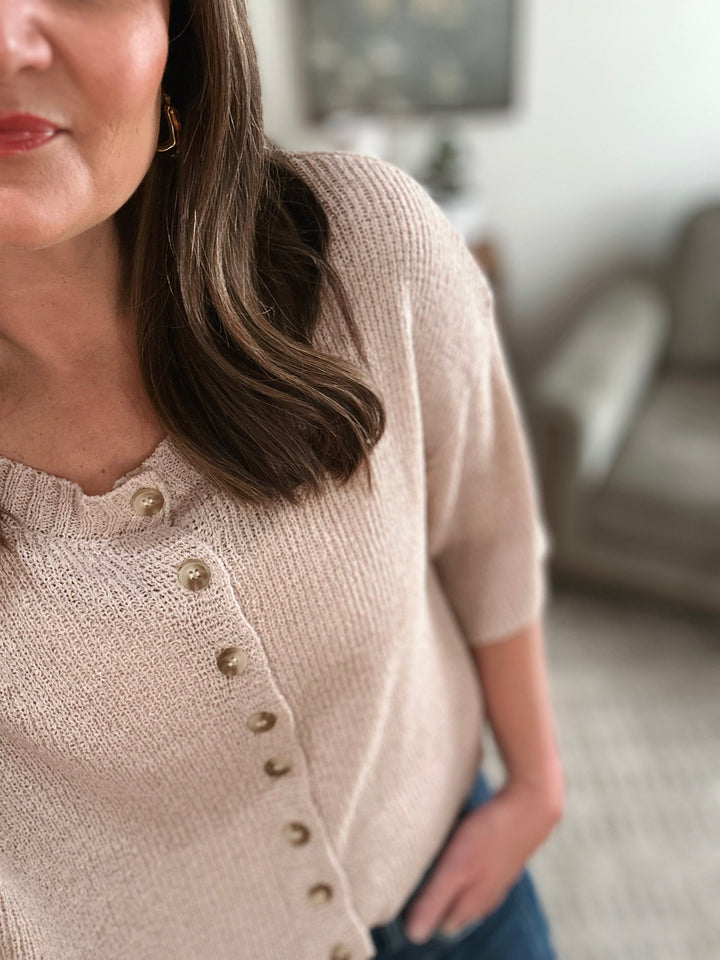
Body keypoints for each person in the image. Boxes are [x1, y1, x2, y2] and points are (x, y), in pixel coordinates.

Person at [0, 1, 565, 959]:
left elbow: (489, 527)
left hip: (460, 906)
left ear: (175, 37)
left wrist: (535, 784)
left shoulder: (364, 250)